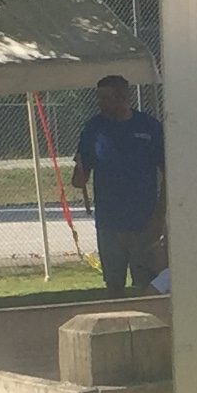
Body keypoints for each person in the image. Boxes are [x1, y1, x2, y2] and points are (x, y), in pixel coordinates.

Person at [72, 76, 166, 293]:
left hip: (145, 223)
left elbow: (168, 173)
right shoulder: (94, 129)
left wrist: (160, 216)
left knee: (147, 285)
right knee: (114, 286)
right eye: (99, 98)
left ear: (124, 97)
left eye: (106, 98)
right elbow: (79, 181)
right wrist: (79, 168)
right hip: (109, 225)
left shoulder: (149, 127)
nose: (101, 103)